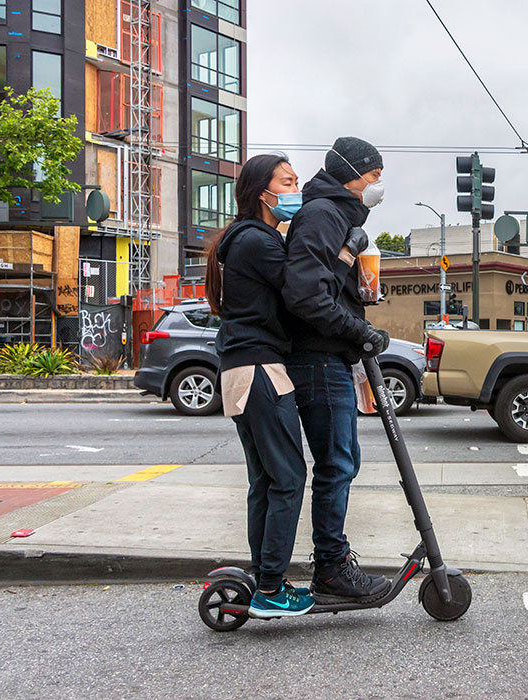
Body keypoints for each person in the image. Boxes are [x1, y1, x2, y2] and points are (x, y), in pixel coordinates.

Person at [204, 153, 315, 618]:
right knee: (289, 477)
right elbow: (302, 292)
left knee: (267, 480)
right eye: (287, 180)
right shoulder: (258, 241)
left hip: (242, 369)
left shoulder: (245, 239)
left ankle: (266, 573)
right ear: (262, 192)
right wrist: (346, 253)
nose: (295, 187)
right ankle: (271, 586)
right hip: (259, 370)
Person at [282, 136, 391, 604]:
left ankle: (333, 562)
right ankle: (331, 569)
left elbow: (325, 284)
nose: (377, 188)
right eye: (373, 178)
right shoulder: (324, 215)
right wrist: (356, 331)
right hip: (319, 358)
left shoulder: (333, 216)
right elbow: (306, 295)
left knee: (342, 463)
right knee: (337, 465)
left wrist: (358, 301)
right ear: (352, 175)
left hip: (328, 356)